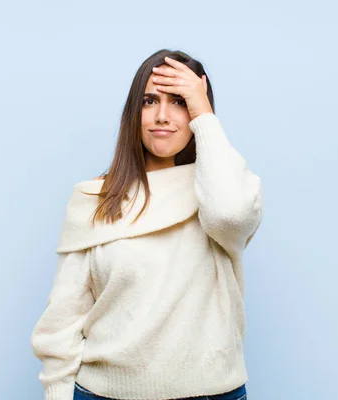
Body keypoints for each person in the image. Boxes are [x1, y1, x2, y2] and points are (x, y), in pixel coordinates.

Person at [30, 49, 263, 400]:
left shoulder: (224, 190)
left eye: (180, 102)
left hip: (213, 392)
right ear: (133, 113)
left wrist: (204, 114)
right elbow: (62, 321)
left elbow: (229, 214)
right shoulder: (94, 199)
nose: (163, 116)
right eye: (150, 100)